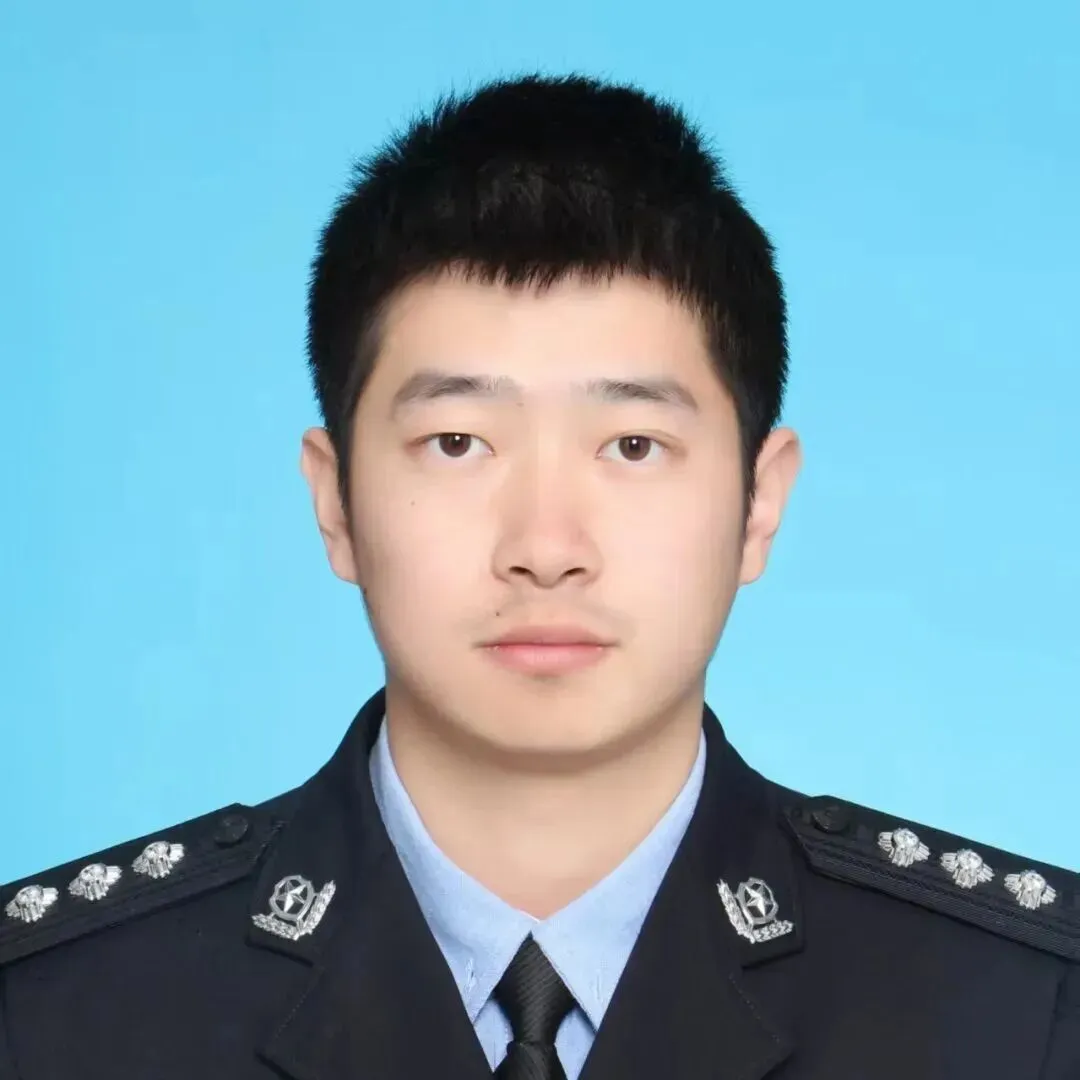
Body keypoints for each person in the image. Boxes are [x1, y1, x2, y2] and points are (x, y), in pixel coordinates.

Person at [1, 73, 1076, 1080]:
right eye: (458, 442)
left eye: (633, 446)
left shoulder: (1023, 1015)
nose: (547, 546)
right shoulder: (57, 1015)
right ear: (336, 503)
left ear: (759, 502)